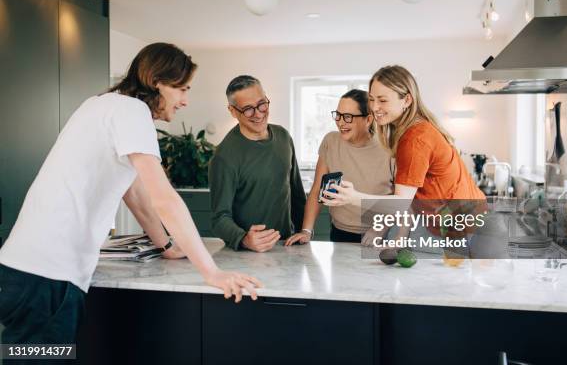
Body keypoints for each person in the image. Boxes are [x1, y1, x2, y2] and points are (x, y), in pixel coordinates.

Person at [0, 43, 261, 346]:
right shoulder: (133, 111)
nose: (185, 101)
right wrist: (212, 272)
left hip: (21, 270)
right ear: (158, 83)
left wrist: (166, 245)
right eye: (182, 89)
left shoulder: (102, 104)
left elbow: (134, 193)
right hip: (49, 278)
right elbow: (164, 198)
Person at [321, 65, 484, 217]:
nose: (374, 107)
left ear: (406, 100)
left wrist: (353, 197)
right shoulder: (414, 129)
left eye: (382, 100)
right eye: (371, 99)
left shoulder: (415, 139)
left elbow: (400, 204)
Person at [209, 75, 306, 252]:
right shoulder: (224, 157)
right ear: (232, 111)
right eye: (248, 109)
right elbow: (219, 218)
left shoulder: (283, 137)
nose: (259, 113)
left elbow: (297, 195)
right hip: (248, 254)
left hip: (287, 247)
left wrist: (305, 231)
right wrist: (245, 239)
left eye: (262, 104)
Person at [285, 89, 394, 245]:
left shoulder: (389, 148)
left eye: (348, 117)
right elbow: (317, 189)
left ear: (368, 119)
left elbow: (402, 198)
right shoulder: (331, 141)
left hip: (379, 233)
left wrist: (381, 227)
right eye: (338, 115)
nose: (340, 122)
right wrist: (306, 231)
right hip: (339, 232)